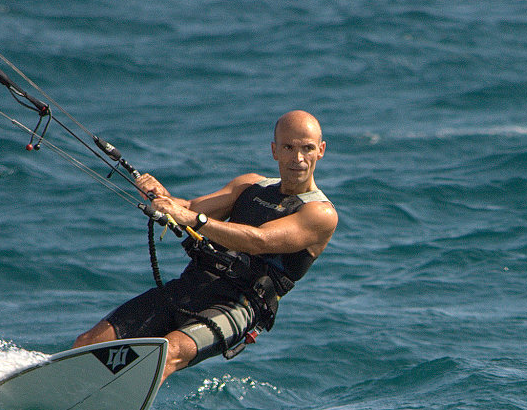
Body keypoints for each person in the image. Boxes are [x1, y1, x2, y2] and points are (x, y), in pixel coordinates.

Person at [74, 110, 337, 381]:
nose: (298, 158)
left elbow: (258, 241)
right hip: (192, 286)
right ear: (274, 150)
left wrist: (191, 218)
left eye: (307, 148)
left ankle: (116, 406)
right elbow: (191, 208)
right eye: (288, 147)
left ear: (321, 150)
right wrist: (163, 197)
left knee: (166, 354)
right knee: (88, 344)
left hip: (238, 304)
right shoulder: (249, 186)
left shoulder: (320, 214)